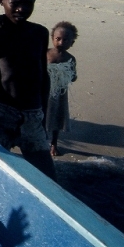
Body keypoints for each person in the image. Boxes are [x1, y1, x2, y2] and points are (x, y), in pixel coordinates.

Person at [0, 0, 57, 180]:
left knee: (49, 181)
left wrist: (43, 117)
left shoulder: (39, 33)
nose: (21, 9)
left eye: (27, 3)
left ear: (34, 1)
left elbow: (43, 77)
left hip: (32, 116)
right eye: (14, 3)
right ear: (1, 1)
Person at [46, 21, 78, 157]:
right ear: (52, 38)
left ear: (72, 42)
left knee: (57, 118)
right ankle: (40, 141)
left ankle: (54, 144)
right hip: (44, 91)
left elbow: (73, 77)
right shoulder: (45, 53)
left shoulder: (70, 58)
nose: (61, 42)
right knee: (41, 116)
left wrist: (66, 75)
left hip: (60, 94)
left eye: (66, 40)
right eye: (58, 39)